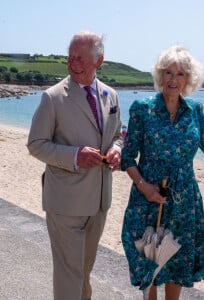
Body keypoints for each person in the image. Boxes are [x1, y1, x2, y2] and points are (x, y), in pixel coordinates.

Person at [27, 31, 122, 300]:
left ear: (99, 60)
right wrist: (74, 156)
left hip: (100, 201)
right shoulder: (52, 98)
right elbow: (35, 144)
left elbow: (117, 134)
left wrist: (117, 149)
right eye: (70, 56)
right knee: (70, 273)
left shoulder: (111, 95)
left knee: (84, 270)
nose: (73, 62)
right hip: (65, 202)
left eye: (79, 57)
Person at [121, 45, 204, 300]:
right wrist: (144, 186)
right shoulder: (142, 109)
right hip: (148, 196)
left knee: (176, 260)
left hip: (184, 201)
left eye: (180, 74)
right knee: (149, 261)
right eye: (168, 72)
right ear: (160, 75)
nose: (173, 79)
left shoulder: (196, 112)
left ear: (188, 79)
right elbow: (127, 156)